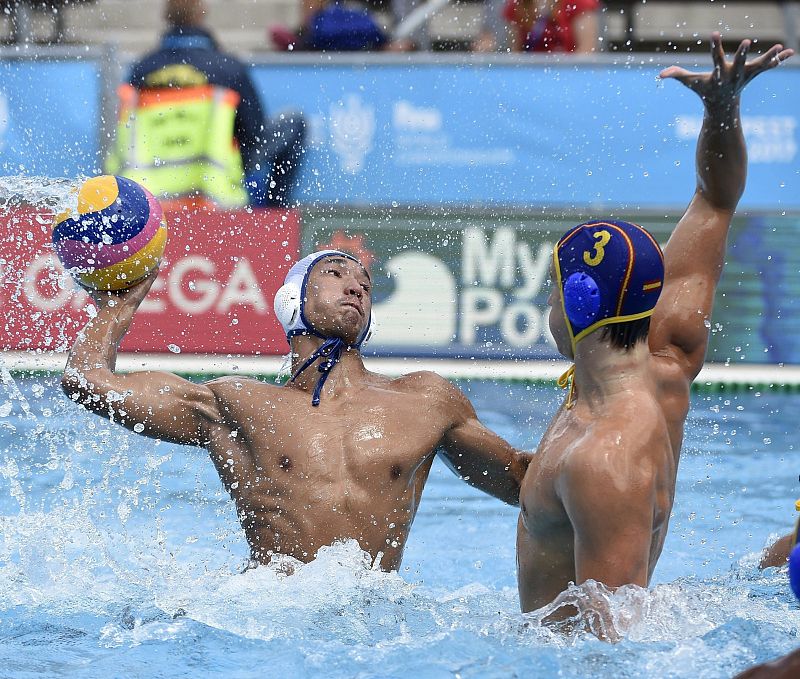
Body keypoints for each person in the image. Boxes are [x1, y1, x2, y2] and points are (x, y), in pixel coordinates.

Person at [516, 34, 794, 630]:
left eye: (552, 291)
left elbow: (611, 645)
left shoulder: (605, 455)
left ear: (579, 303)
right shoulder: (666, 344)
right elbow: (716, 199)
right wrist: (722, 112)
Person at [61, 250, 530, 569]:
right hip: (267, 618)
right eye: (335, 275)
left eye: (364, 283)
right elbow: (87, 382)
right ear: (292, 299)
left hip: (372, 627)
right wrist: (120, 304)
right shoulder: (240, 404)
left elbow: (522, 483)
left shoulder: (426, 400)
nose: (356, 287)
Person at [108, 0, 304, 208]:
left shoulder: (140, 70)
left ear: (166, 15)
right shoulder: (227, 68)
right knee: (294, 122)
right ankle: (275, 217)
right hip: (214, 193)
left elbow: (122, 137)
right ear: (203, 11)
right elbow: (253, 135)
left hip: (151, 198)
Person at [503, 0, 600, 53]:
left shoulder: (579, 3)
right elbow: (515, 52)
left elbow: (587, 51)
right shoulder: (517, 4)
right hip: (531, 73)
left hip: (569, 73)